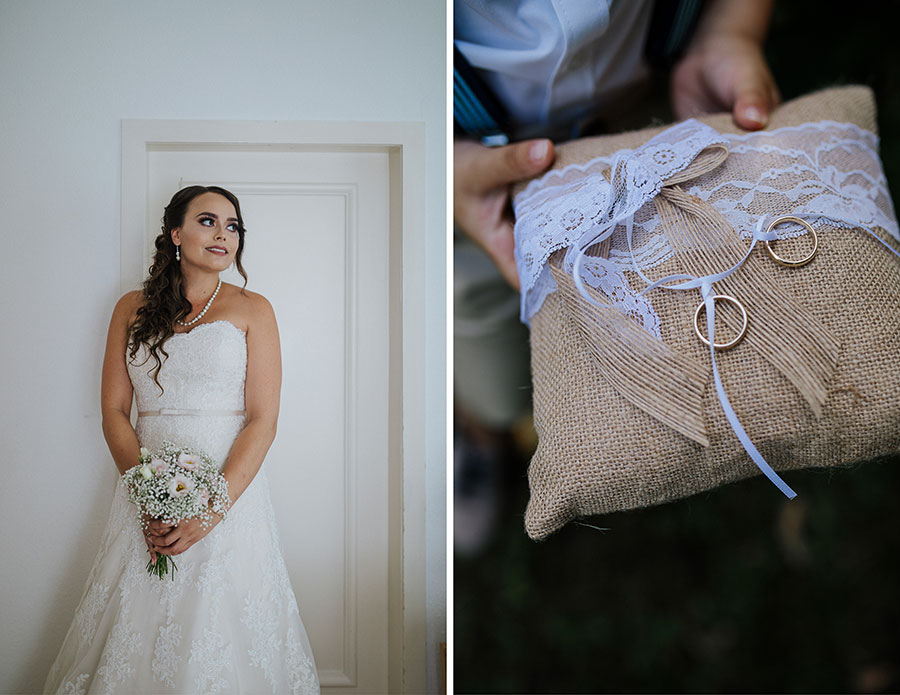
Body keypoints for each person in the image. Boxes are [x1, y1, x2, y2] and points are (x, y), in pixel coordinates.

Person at [453, 0, 780, 551]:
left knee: (676, 309)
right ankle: (482, 432)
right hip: (470, 179)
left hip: (653, 108)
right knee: (491, 372)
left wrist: (731, 26)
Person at [44, 186, 319, 694]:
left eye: (232, 226)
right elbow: (113, 411)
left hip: (230, 496)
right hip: (146, 497)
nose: (223, 234)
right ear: (175, 233)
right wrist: (146, 491)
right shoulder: (131, 307)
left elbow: (263, 420)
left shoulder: (254, 309)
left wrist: (211, 510)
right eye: (208, 221)